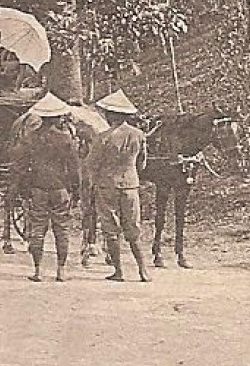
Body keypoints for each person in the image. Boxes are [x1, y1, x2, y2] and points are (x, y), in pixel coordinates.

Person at [13, 93, 81, 282]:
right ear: (59, 117)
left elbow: (21, 165)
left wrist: (22, 188)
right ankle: (61, 270)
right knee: (62, 230)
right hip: (60, 189)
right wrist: (76, 190)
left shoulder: (30, 138)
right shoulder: (67, 139)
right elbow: (74, 168)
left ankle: (37, 270)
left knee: (37, 229)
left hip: (38, 188)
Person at [86, 89, 149, 283]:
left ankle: (119, 271)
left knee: (111, 230)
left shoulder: (103, 137)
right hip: (130, 186)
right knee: (133, 229)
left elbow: (92, 164)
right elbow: (142, 163)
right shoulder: (138, 135)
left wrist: (93, 182)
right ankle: (143, 271)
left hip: (107, 186)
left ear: (111, 115)